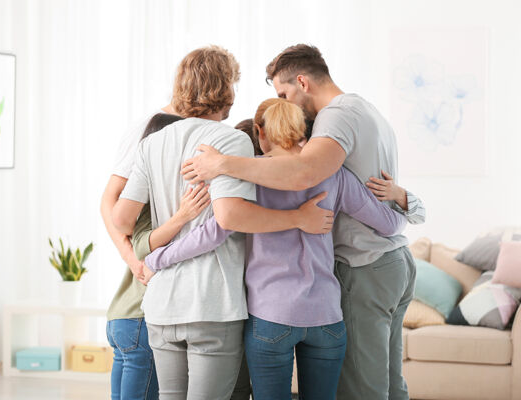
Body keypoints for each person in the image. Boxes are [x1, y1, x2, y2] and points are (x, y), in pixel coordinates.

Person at [180, 44, 426, 400]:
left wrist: (223, 165)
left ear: (301, 82)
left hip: (347, 277)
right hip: (375, 275)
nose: (287, 103)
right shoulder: (365, 116)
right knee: (390, 383)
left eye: (284, 94)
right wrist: (407, 201)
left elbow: (302, 174)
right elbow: (390, 223)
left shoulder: (333, 119)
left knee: (364, 391)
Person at [140, 98, 409, 399]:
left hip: (271, 317)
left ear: (260, 132)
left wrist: (156, 258)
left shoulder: (248, 172)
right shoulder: (335, 174)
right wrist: (402, 196)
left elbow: (214, 232)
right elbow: (388, 225)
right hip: (327, 317)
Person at [111, 45, 334, 400]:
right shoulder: (231, 140)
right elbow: (230, 216)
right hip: (211, 305)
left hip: (161, 305)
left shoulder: (152, 143)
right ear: (227, 89)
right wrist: (297, 218)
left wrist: (165, 235)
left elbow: (122, 218)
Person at [102, 112, 214, 400]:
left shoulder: (142, 196)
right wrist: (183, 216)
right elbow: (143, 245)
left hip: (121, 317)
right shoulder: (153, 200)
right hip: (141, 317)